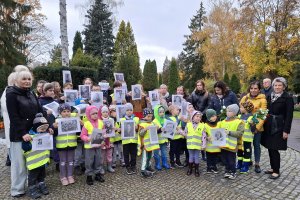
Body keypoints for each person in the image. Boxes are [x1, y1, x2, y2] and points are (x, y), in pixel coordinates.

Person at [6, 70, 43, 197]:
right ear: (16, 80)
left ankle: (34, 184)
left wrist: (46, 125)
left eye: (29, 79)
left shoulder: (32, 93)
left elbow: (40, 110)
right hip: (19, 134)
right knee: (19, 164)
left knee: (34, 161)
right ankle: (17, 190)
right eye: (24, 79)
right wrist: (22, 133)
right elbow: (13, 116)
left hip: (33, 133)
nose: (27, 81)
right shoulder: (11, 94)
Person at [261, 77, 294, 179]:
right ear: (273, 86)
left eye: (280, 85)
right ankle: (272, 167)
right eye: (275, 85)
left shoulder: (287, 98)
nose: (277, 87)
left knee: (275, 148)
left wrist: (286, 131)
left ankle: (276, 170)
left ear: (284, 87)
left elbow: (289, 116)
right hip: (269, 125)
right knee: (270, 147)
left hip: (279, 126)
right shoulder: (270, 96)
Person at [22, 113, 52, 199]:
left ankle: (41, 185)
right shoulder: (30, 137)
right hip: (33, 163)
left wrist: (49, 134)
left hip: (42, 161)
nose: (43, 130)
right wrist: (27, 142)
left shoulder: (45, 135)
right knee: (32, 177)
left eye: (45, 128)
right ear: (36, 128)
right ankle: (32, 189)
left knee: (42, 175)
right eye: (41, 128)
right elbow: (25, 149)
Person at [240, 80, 267, 173]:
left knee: (256, 145)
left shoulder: (262, 100)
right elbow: (241, 109)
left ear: (259, 89)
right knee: (247, 144)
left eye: (256, 88)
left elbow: (262, 115)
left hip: (256, 127)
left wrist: (256, 128)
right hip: (246, 127)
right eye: (251, 88)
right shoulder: (245, 98)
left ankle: (257, 163)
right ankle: (248, 159)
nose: (253, 90)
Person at [53, 104, 77, 186]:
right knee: (63, 161)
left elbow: (78, 132)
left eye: (68, 111)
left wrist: (81, 125)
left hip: (72, 143)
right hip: (61, 145)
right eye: (64, 111)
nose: (66, 113)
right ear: (60, 113)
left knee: (71, 161)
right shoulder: (57, 121)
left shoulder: (74, 120)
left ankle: (70, 175)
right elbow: (54, 133)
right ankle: (63, 176)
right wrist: (54, 128)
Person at [80, 106, 105, 185]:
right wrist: (87, 138)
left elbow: (103, 133)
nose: (95, 115)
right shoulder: (86, 124)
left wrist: (103, 140)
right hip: (89, 147)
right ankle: (89, 175)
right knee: (89, 161)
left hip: (98, 146)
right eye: (93, 114)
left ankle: (97, 174)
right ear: (88, 114)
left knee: (98, 160)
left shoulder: (101, 122)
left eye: (96, 113)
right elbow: (82, 135)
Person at [219, 104, 244, 180]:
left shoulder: (239, 122)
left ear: (235, 113)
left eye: (230, 111)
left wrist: (229, 132)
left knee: (231, 160)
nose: (227, 112)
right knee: (224, 160)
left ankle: (233, 171)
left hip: (232, 146)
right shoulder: (222, 122)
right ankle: (227, 170)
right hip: (224, 145)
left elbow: (240, 133)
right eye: (227, 111)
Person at [138, 108, 160, 177]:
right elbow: (140, 134)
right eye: (148, 116)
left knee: (150, 156)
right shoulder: (142, 124)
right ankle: (143, 170)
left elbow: (156, 131)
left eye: (151, 116)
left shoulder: (152, 122)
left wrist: (157, 127)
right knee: (145, 157)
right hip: (145, 144)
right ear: (144, 116)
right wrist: (145, 129)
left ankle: (148, 166)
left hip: (151, 144)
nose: (150, 118)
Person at [183, 111, 205, 177]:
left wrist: (203, 145)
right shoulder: (188, 124)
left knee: (196, 157)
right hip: (190, 144)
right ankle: (190, 169)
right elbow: (185, 133)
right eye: (197, 116)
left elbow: (204, 136)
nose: (198, 118)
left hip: (198, 145)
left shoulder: (202, 125)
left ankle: (196, 169)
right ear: (192, 117)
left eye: (200, 117)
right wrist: (181, 132)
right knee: (191, 156)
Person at [120, 103, 140, 175]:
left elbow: (139, 129)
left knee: (133, 154)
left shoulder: (136, 119)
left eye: (131, 110)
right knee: (126, 154)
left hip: (134, 140)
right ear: (125, 111)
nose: (129, 111)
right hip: (126, 141)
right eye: (127, 110)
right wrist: (120, 130)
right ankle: (127, 166)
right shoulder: (122, 120)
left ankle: (133, 165)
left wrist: (137, 128)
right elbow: (120, 131)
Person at [237, 101, 256, 174]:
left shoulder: (252, 117)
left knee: (247, 152)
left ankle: (246, 166)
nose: (240, 109)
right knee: (239, 151)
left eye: (241, 107)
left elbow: (253, 130)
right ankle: (239, 163)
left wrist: (253, 124)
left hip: (247, 139)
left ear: (246, 109)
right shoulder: (239, 116)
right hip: (240, 139)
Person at [152, 105, 170, 170]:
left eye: (163, 112)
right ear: (156, 113)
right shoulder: (154, 121)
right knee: (156, 153)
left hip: (164, 140)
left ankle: (164, 163)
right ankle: (157, 164)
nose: (162, 113)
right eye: (160, 112)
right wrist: (160, 130)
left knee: (164, 152)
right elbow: (153, 132)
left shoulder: (165, 120)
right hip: (156, 141)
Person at [98, 106, 115, 173]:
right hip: (102, 140)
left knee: (109, 154)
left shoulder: (111, 120)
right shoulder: (99, 121)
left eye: (106, 112)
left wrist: (114, 128)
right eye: (104, 112)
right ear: (101, 113)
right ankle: (101, 167)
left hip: (109, 140)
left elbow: (113, 129)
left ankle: (109, 166)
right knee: (102, 155)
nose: (105, 113)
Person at [204, 109, 221, 174]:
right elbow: (204, 134)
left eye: (215, 116)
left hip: (216, 145)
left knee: (215, 157)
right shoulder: (206, 125)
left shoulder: (219, 123)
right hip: (209, 146)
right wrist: (207, 137)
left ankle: (214, 166)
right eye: (212, 116)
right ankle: (209, 167)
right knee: (209, 157)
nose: (214, 117)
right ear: (208, 117)